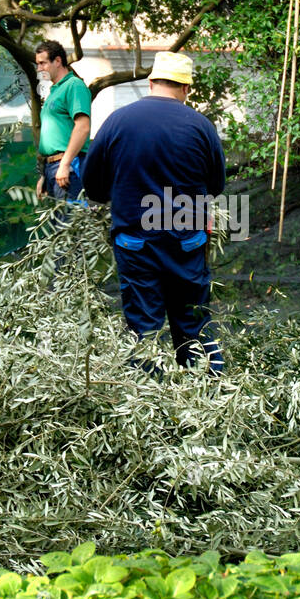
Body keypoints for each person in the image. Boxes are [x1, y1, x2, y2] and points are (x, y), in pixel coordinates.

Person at [82, 51, 225, 374]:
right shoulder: (201, 127)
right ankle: (206, 395)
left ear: (151, 82)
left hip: (136, 242)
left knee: (144, 329)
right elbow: (215, 186)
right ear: (186, 88)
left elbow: (93, 186)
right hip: (186, 241)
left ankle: (149, 402)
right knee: (193, 324)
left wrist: (117, 195)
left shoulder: (118, 121)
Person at [33, 40, 91, 204]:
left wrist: (64, 164)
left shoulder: (74, 85)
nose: (39, 69)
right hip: (53, 167)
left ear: (57, 61)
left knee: (72, 225)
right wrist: (44, 175)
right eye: (37, 64)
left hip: (69, 165)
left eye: (42, 63)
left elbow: (83, 127)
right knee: (58, 227)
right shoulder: (53, 91)